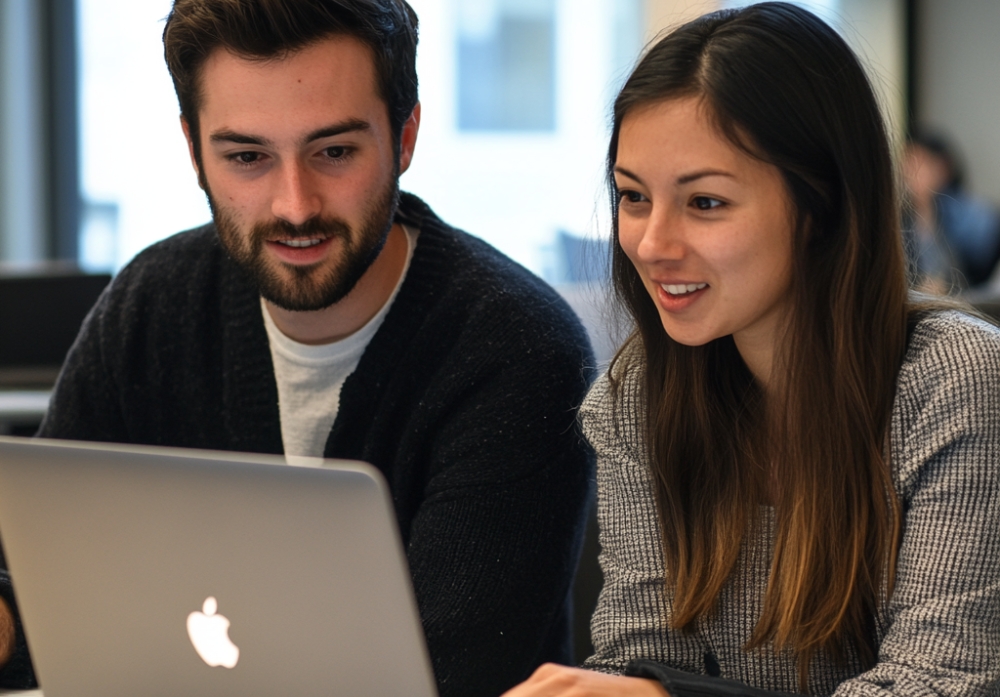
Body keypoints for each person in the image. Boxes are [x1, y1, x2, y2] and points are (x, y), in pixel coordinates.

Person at [0, 0, 596, 693]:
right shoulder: (152, 304)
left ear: (405, 137)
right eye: (247, 156)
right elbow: (51, 580)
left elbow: (448, 677)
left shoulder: (517, 349)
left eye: (334, 151)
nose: (294, 205)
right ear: (194, 151)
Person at [505, 3, 1000, 697]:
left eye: (705, 203)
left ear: (820, 205)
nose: (652, 244)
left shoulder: (954, 380)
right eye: (633, 197)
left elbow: (935, 684)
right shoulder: (639, 394)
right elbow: (636, 661)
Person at [902, 131, 1000, 293]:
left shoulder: (959, 213)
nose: (908, 173)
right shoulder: (899, 219)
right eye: (905, 165)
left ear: (941, 169)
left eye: (917, 164)